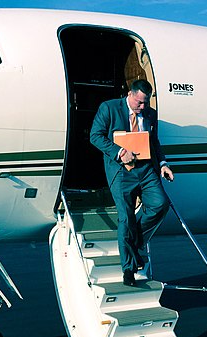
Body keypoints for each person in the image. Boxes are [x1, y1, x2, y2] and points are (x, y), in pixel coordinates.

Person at [90, 79, 174, 286]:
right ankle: (128, 269)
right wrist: (119, 152)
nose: (143, 107)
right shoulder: (109, 108)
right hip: (122, 171)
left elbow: (154, 141)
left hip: (146, 169)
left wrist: (163, 164)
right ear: (130, 94)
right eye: (139, 103)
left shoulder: (150, 113)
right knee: (125, 219)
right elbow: (95, 136)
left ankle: (134, 242)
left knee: (160, 204)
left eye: (146, 103)